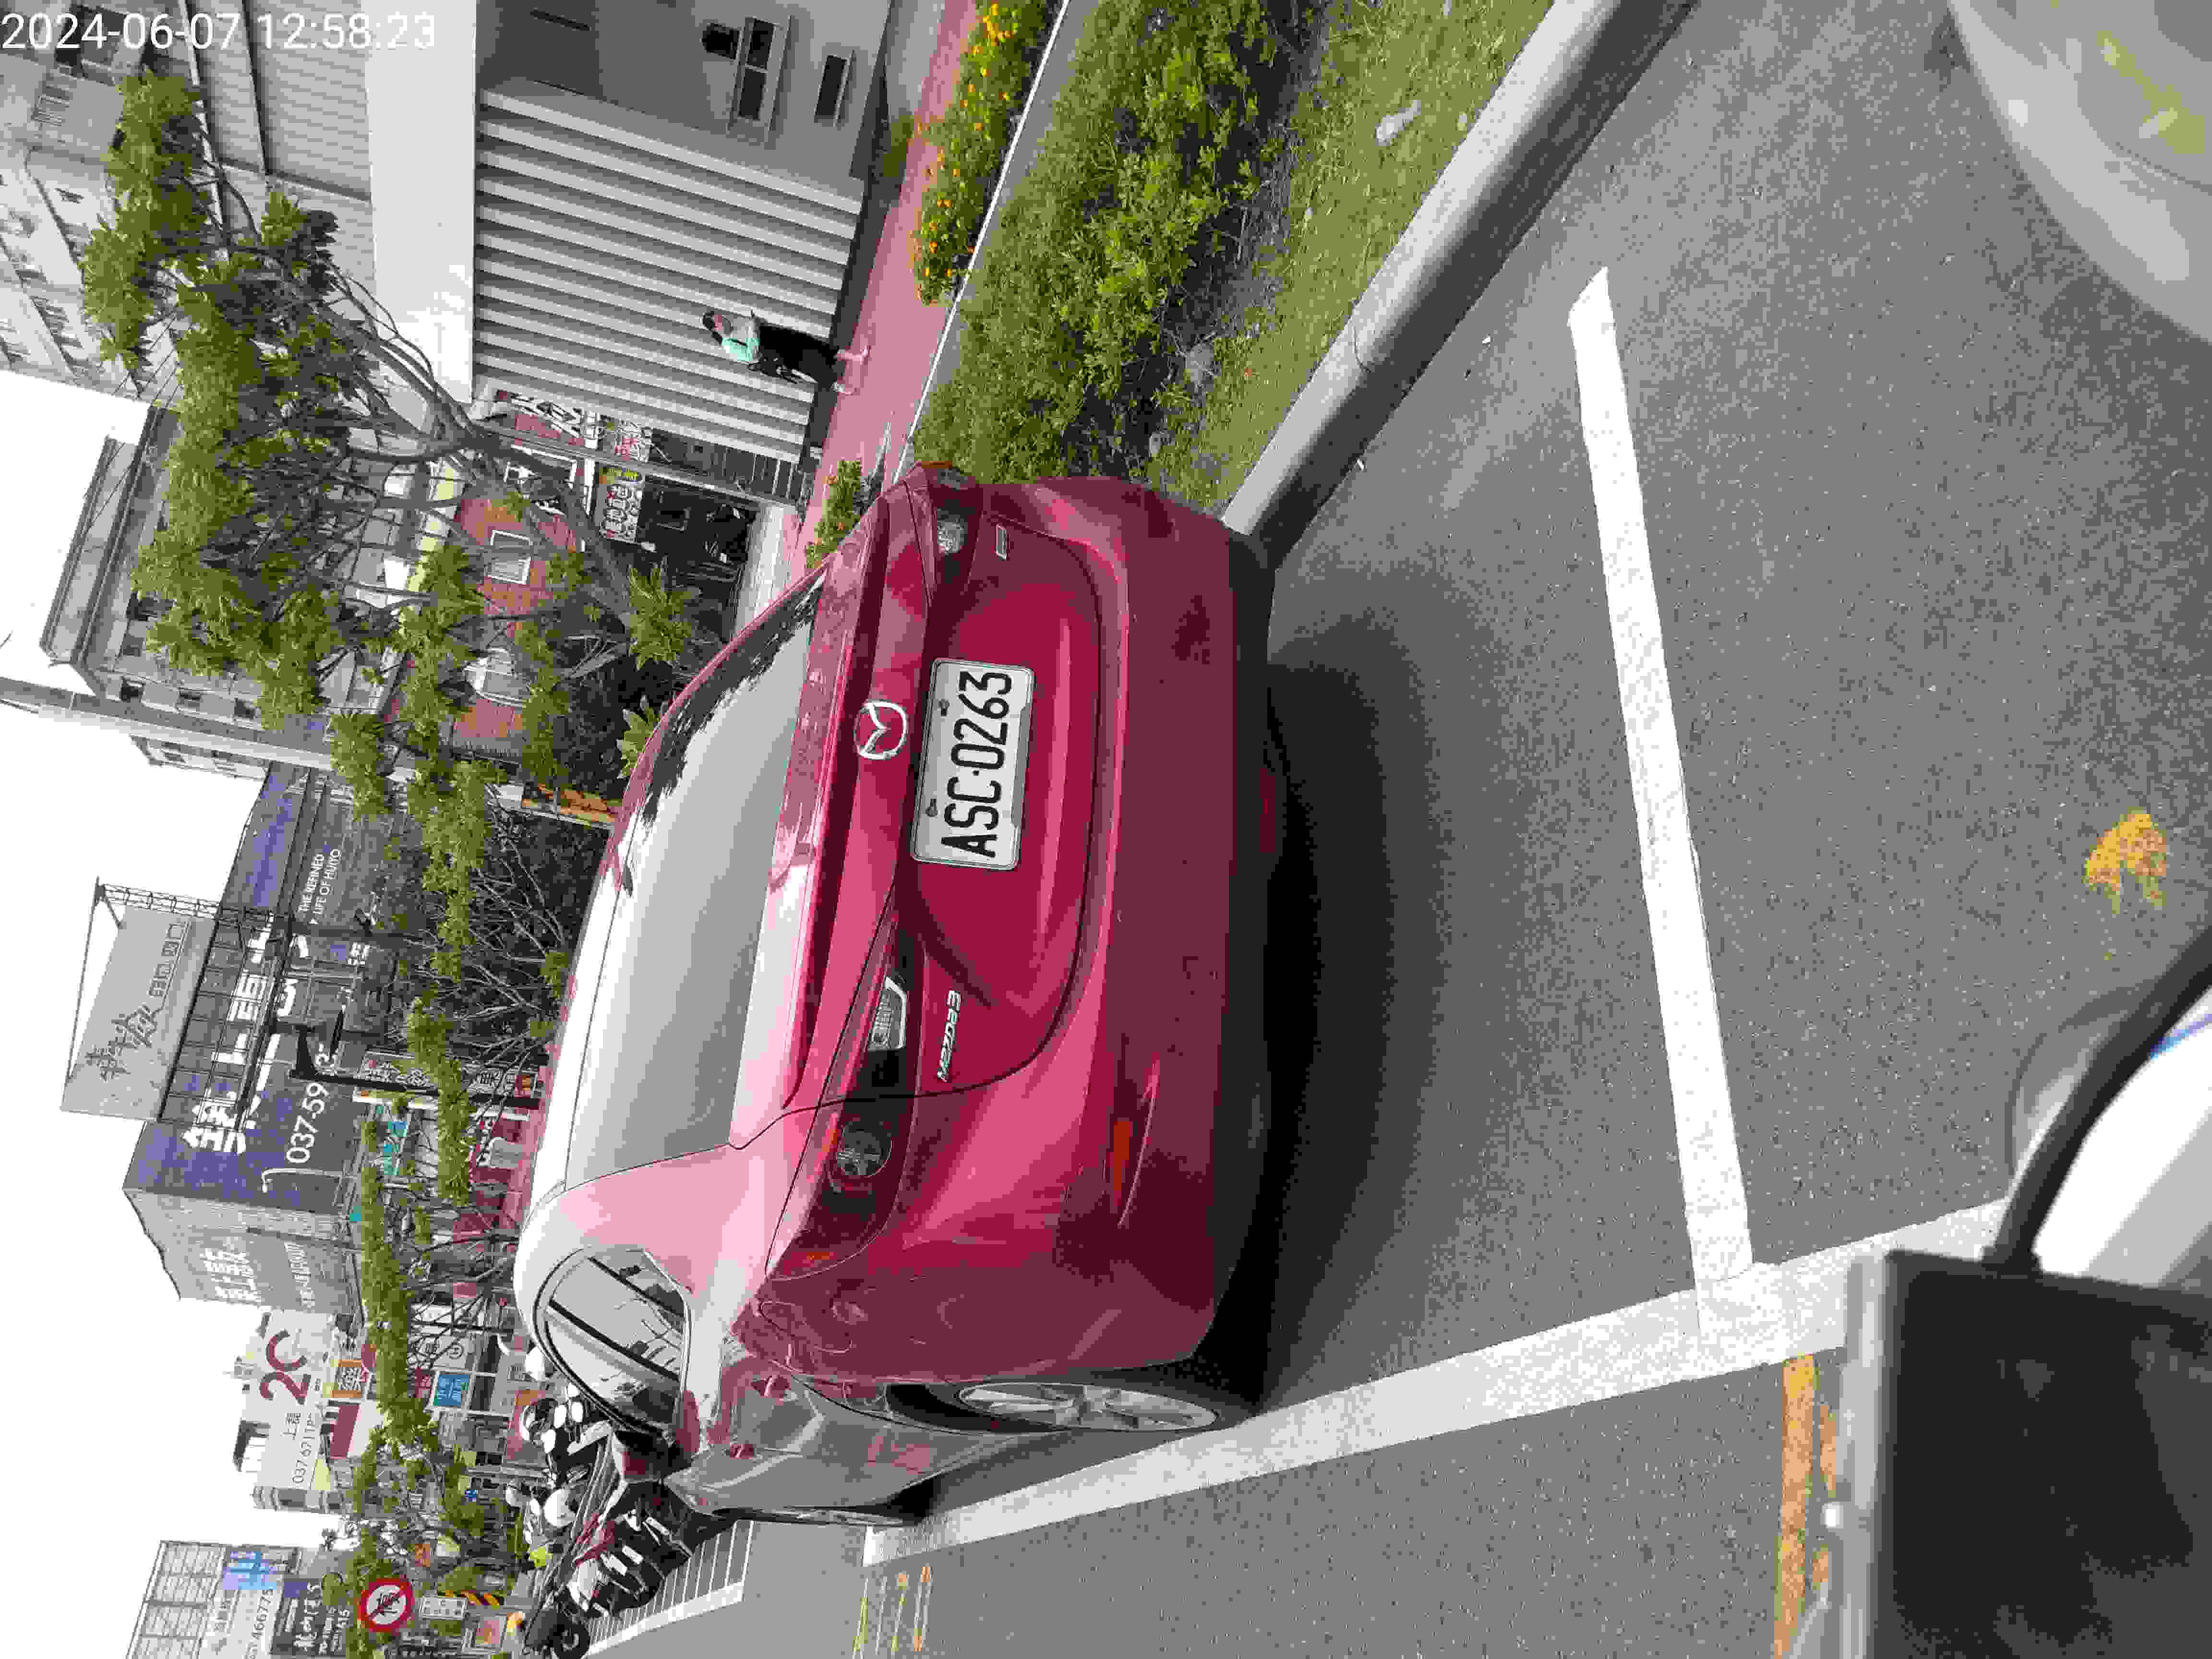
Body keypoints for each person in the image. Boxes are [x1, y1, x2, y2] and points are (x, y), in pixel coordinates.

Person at [701, 308, 866, 392]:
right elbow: (751, 356)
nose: (724, 320)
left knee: (818, 346)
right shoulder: (729, 345)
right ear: (715, 329)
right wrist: (753, 332)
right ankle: (840, 387)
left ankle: (856, 357)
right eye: (720, 321)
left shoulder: (736, 322)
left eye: (722, 317)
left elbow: (759, 325)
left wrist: (758, 322)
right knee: (810, 366)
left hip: (779, 336)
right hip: (775, 352)